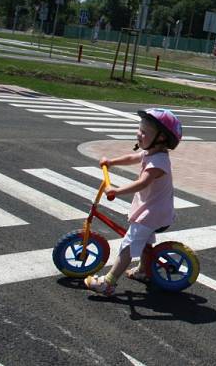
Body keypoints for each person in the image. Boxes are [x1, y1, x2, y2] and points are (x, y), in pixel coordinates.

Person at [84, 108, 183, 296]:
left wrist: (117, 191)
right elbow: (132, 158)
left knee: (128, 245)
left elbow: (143, 182)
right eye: (139, 128)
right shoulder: (150, 152)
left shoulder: (159, 162)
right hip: (151, 208)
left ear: (161, 138)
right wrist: (111, 162)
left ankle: (108, 282)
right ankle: (144, 271)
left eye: (144, 132)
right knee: (145, 242)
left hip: (154, 212)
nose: (139, 133)